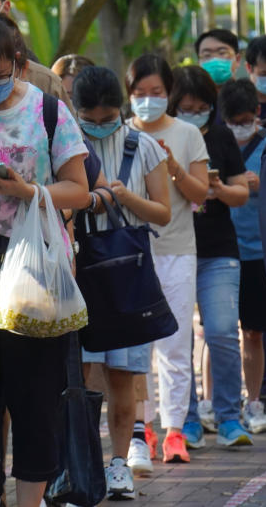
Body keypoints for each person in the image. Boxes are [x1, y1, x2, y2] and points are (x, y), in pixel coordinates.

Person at [0, 14, 89, 507]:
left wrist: (25, 190)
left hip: (35, 262)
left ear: (17, 63)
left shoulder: (48, 112)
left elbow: (79, 189)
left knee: (34, 396)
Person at [73, 66, 170, 500]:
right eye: (89, 119)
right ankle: (84, 462)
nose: (98, 126)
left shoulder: (143, 145)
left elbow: (163, 213)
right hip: (80, 272)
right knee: (83, 374)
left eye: (106, 117)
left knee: (123, 374)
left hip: (128, 273)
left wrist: (122, 197)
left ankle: (119, 463)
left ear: (121, 109)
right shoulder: (65, 142)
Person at [125, 55, 209, 466]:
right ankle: (143, 430)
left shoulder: (187, 133)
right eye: (139, 94)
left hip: (177, 250)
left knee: (176, 346)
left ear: (169, 92)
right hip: (133, 254)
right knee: (137, 350)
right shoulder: (121, 135)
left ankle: (175, 430)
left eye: (156, 93)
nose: (148, 101)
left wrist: (171, 166)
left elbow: (200, 194)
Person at [168, 66, 253, 449]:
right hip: (172, 249)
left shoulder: (219, 136)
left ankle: (229, 417)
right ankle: (186, 421)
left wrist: (216, 188)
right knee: (177, 340)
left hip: (218, 250)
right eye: (187, 107)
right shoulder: (159, 137)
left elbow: (241, 194)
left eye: (202, 106)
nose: (195, 112)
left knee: (221, 332)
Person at [219, 78, 266, 435]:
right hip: (220, 251)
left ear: (257, 114)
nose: (239, 126)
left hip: (257, 253)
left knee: (254, 332)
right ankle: (216, 403)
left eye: (245, 118)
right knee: (217, 332)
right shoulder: (214, 145)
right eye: (232, 119)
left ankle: (255, 402)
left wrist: (263, 185)